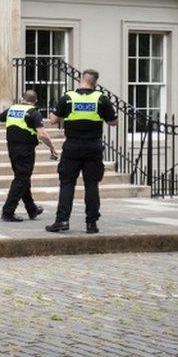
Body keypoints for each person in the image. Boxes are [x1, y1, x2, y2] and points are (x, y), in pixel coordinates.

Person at [45, 69, 118, 234]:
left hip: (72, 147)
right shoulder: (101, 99)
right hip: (93, 147)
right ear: (95, 83)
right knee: (91, 184)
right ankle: (91, 223)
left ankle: (62, 220)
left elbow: (53, 120)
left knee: (67, 183)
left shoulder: (68, 97)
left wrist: (54, 113)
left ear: (81, 80)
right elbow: (113, 122)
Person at [0, 90, 57, 222]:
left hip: (12, 147)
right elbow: (42, 134)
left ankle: (32, 209)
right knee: (21, 179)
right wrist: (52, 147)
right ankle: (8, 211)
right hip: (25, 149)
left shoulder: (12, 109)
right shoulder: (33, 113)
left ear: (21, 98)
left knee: (23, 178)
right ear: (35, 101)